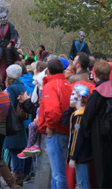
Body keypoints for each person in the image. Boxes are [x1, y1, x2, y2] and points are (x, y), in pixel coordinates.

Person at [80, 61, 112, 187]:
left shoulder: (97, 94)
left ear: (95, 74)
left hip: (100, 137)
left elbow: (87, 118)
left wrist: (85, 136)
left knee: (102, 172)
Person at [37, 57, 71, 189]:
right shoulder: (67, 84)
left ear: (49, 71)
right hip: (65, 130)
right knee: (58, 172)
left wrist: (49, 127)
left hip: (56, 132)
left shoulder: (51, 86)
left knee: (58, 173)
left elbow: (52, 111)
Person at [3, 64, 29, 187]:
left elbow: (9, 106)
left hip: (12, 123)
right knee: (20, 150)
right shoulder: (21, 86)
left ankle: (17, 176)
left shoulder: (11, 89)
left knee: (14, 150)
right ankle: (20, 175)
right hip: (20, 121)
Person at [0, 8, 20, 80]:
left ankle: (9, 77)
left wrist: (11, 43)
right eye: (0, 18)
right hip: (0, 45)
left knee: (9, 61)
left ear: (7, 16)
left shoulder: (10, 26)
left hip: (7, 45)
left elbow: (13, 34)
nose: (2, 20)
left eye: (4, 17)